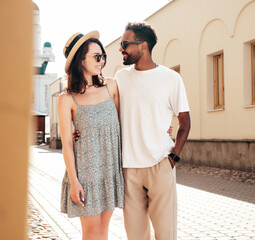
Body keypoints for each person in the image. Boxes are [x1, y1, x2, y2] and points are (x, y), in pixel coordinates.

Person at [115, 22, 191, 240]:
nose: (121, 49)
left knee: (166, 234)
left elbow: (185, 122)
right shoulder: (121, 78)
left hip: (160, 164)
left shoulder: (171, 78)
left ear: (143, 46)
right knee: (135, 235)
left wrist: (173, 157)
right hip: (129, 168)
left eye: (125, 44)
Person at [58, 31, 124, 240]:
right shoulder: (67, 98)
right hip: (86, 173)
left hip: (110, 170)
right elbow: (67, 143)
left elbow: (125, 124)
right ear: (81, 60)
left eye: (103, 55)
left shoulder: (111, 86)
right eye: (96, 57)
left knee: (103, 231)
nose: (102, 61)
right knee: (91, 233)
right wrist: (75, 181)